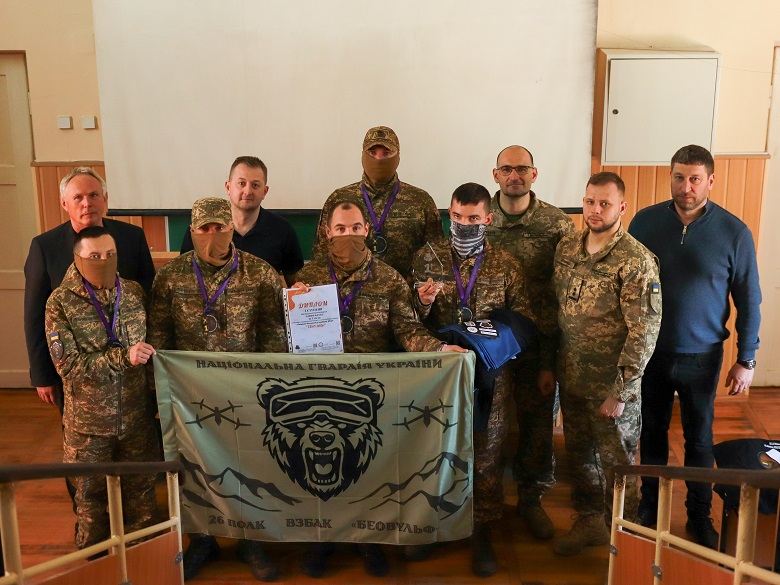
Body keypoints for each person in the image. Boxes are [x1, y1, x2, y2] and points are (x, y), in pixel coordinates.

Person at [293, 200, 466, 578]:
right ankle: (321, 540)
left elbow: (408, 331)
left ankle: (368, 540)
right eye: (341, 229)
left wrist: (439, 349)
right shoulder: (308, 277)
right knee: (319, 471)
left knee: (364, 470)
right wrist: (291, 303)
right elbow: (287, 338)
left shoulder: (388, 278)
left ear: (367, 230)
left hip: (367, 396)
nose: (348, 235)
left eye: (356, 228)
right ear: (327, 232)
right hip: (319, 392)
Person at [628, 145, 762, 549]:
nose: (686, 187)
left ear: (710, 181)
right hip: (651, 353)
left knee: (699, 440)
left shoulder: (734, 232)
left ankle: (699, 516)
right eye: (678, 177)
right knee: (651, 435)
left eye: (695, 179)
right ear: (670, 176)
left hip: (702, 357)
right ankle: (650, 508)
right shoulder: (644, 222)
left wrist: (747, 358)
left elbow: (749, 300)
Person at [148, 197, 287, 581]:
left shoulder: (260, 273)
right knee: (194, 470)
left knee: (249, 468)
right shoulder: (170, 277)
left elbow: (275, 340)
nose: (212, 235)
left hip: (244, 395)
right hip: (189, 396)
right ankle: (202, 540)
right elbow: (159, 340)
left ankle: (250, 539)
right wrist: (159, 396)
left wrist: (269, 396)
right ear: (192, 231)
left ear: (232, 228)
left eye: (220, 228)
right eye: (204, 229)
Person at [410, 182, 536, 577]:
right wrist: (422, 303)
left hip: (491, 379)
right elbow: (406, 321)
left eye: (473, 218)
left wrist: (492, 342)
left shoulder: (507, 264)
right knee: (436, 451)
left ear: (488, 218)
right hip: (440, 377)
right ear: (449, 215)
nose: (464, 225)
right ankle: (433, 526)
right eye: (458, 217)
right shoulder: (426, 258)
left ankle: (482, 531)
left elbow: (525, 321)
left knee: (485, 456)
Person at [23, 166, 155, 506]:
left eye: (94, 195)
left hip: (132, 381)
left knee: (136, 459)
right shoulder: (45, 246)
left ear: (105, 199)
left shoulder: (131, 238)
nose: (87, 203)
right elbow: (34, 314)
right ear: (64, 203)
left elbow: (149, 298)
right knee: (84, 459)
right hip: (80, 381)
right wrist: (42, 375)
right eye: (78, 197)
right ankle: (89, 511)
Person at [552, 172, 661, 556]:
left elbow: (644, 333)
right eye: (589, 202)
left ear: (622, 207)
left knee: (618, 466)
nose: (595, 210)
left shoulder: (636, 261)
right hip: (573, 378)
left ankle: (626, 540)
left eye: (604, 203)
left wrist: (621, 391)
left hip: (611, 388)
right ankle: (590, 523)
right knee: (580, 457)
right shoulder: (568, 246)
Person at [45, 226, 160, 551]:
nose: (103, 261)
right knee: (90, 501)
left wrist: (156, 398)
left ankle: (143, 555)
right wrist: (123, 357)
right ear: (78, 259)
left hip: (136, 419)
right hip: (89, 426)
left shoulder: (133, 293)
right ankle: (94, 559)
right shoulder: (60, 303)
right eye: (94, 256)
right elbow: (70, 367)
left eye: (110, 255)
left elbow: (152, 351)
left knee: (142, 498)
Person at [485, 145, 574, 540]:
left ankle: (532, 498)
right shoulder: (478, 217)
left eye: (522, 169)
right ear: (496, 174)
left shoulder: (556, 225)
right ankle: (480, 501)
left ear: (534, 174)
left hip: (537, 345)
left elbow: (563, 293)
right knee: (484, 424)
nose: (514, 176)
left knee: (538, 425)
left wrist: (550, 359)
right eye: (507, 169)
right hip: (489, 345)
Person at [311, 126, 443, 278]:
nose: (378, 159)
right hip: (350, 290)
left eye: (386, 153)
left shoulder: (420, 201)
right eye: (372, 153)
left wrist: (425, 289)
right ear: (363, 155)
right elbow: (321, 256)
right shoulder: (339, 199)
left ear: (398, 157)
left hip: (405, 290)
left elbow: (436, 256)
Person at [180, 156, 303, 285]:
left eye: (255, 185)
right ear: (228, 187)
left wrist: (299, 288)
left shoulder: (283, 230)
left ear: (265, 191)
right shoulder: (202, 230)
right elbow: (184, 279)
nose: (248, 191)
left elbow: (295, 284)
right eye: (241, 183)